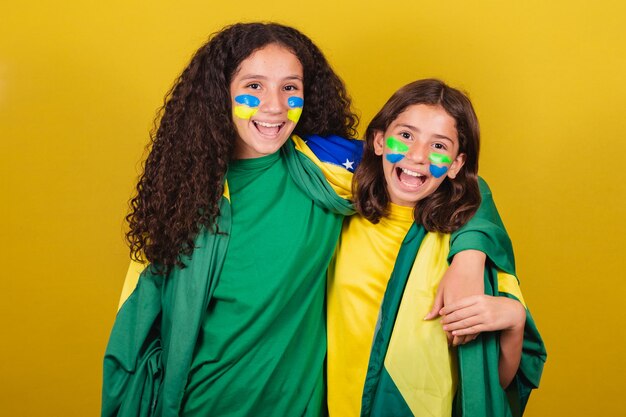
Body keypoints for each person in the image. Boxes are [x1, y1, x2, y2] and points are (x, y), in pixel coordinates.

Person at [102, 22, 362, 417]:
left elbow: (449, 176)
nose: (274, 105)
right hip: (201, 403)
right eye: (254, 86)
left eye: (290, 87)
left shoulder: (329, 170)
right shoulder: (188, 193)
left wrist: (471, 259)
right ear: (219, 94)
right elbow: (136, 328)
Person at [326, 79, 546, 417]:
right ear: (380, 140)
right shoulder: (337, 215)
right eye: (407, 135)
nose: (418, 156)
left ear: (457, 164)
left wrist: (514, 320)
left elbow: (493, 382)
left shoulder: (466, 245)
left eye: (439, 146)